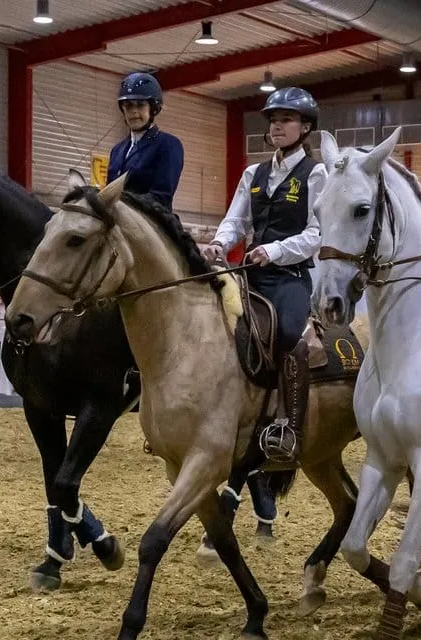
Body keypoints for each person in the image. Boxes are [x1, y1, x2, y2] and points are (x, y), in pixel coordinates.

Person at [203, 86, 326, 463]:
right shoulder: (253, 173)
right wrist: (219, 245)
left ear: (305, 127)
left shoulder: (316, 173)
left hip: (289, 278)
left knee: (290, 336)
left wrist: (273, 250)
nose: (277, 126)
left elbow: (317, 234)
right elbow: (235, 220)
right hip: (248, 274)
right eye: (273, 119)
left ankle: (289, 425)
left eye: (286, 119)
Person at [106, 71, 185, 210]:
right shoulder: (116, 150)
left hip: (153, 221)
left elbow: (162, 196)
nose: (134, 112)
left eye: (140, 105)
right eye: (129, 105)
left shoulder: (168, 144)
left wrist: (123, 207)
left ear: (153, 108)